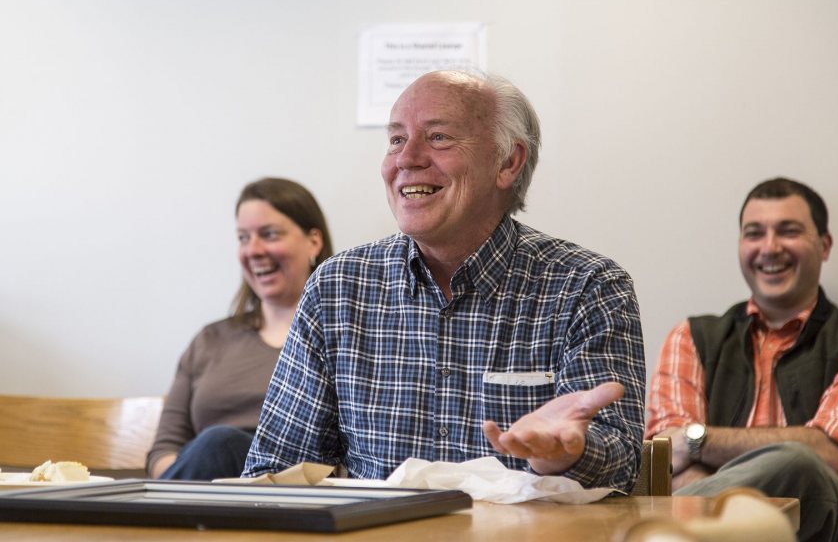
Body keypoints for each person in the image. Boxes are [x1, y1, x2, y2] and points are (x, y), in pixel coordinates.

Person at [243, 70, 646, 491]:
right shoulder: (337, 287)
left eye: (438, 137)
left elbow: (619, 467)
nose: (406, 158)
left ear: (508, 162)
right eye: (397, 139)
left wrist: (563, 455)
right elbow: (275, 469)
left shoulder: (588, 287)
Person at [645, 177, 838, 542]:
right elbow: (669, 462)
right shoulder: (692, 338)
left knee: (799, 462)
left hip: (836, 529)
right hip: (711, 533)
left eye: (789, 231)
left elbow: (827, 455)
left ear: (824, 245)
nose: (770, 247)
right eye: (754, 233)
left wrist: (694, 440)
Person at [147, 177, 334, 480]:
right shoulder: (210, 340)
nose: (253, 250)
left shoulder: (342, 340)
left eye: (269, 235)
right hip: (203, 501)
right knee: (214, 446)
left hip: (290, 501)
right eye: (243, 238)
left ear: (313, 241)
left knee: (220, 443)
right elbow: (164, 451)